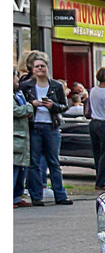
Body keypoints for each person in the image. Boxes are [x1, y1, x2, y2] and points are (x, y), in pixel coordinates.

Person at [23, 55, 70, 205]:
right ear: (33, 69)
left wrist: (52, 106)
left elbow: (64, 106)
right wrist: (32, 104)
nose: (40, 69)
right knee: (34, 163)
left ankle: (60, 195)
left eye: (42, 66)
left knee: (54, 162)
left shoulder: (56, 86)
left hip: (52, 126)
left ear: (47, 68)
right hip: (34, 126)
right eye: (37, 66)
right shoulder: (27, 86)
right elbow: (21, 104)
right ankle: (36, 197)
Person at [14, 75, 31, 207]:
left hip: (22, 136)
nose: (17, 81)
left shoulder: (19, 95)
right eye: (15, 78)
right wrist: (29, 107)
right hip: (15, 136)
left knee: (21, 169)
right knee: (13, 169)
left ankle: (17, 196)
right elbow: (15, 111)